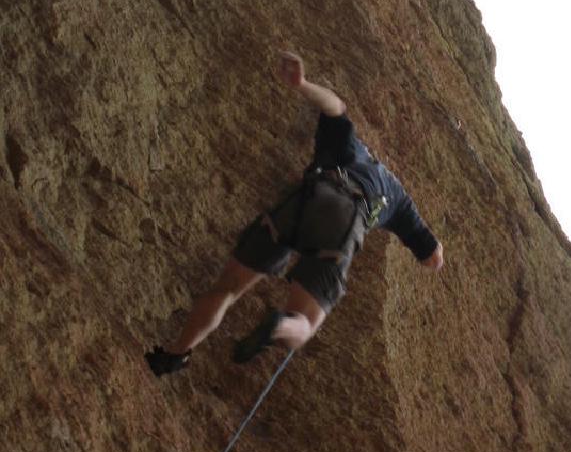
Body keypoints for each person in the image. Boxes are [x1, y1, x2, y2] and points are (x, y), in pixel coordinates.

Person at [145, 52, 443, 376]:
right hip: (344, 214)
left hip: (304, 198)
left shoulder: (352, 148)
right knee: (305, 323)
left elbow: (335, 106)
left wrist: (301, 84)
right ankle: (280, 325)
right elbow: (433, 257)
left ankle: (174, 354)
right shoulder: (398, 200)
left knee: (228, 287)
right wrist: (433, 254)